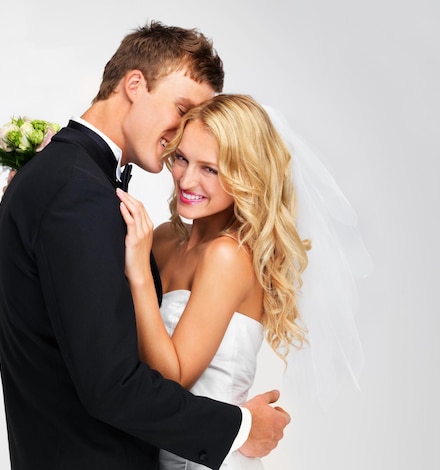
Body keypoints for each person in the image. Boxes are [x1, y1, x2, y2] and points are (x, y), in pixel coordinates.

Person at [0, 22, 290, 470]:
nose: (180, 133)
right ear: (135, 84)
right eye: (181, 107)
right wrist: (240, 428)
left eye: (211, 166)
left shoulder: (69, 181)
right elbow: (112, 384)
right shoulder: (75, 190)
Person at [116, 94, 369, 469]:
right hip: (157, 452)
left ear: (246, 175)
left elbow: (174, 379)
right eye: (182, 158)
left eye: (210, 169)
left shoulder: (229, 255)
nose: (187, 179)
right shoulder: (166, 238)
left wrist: (138, 273)